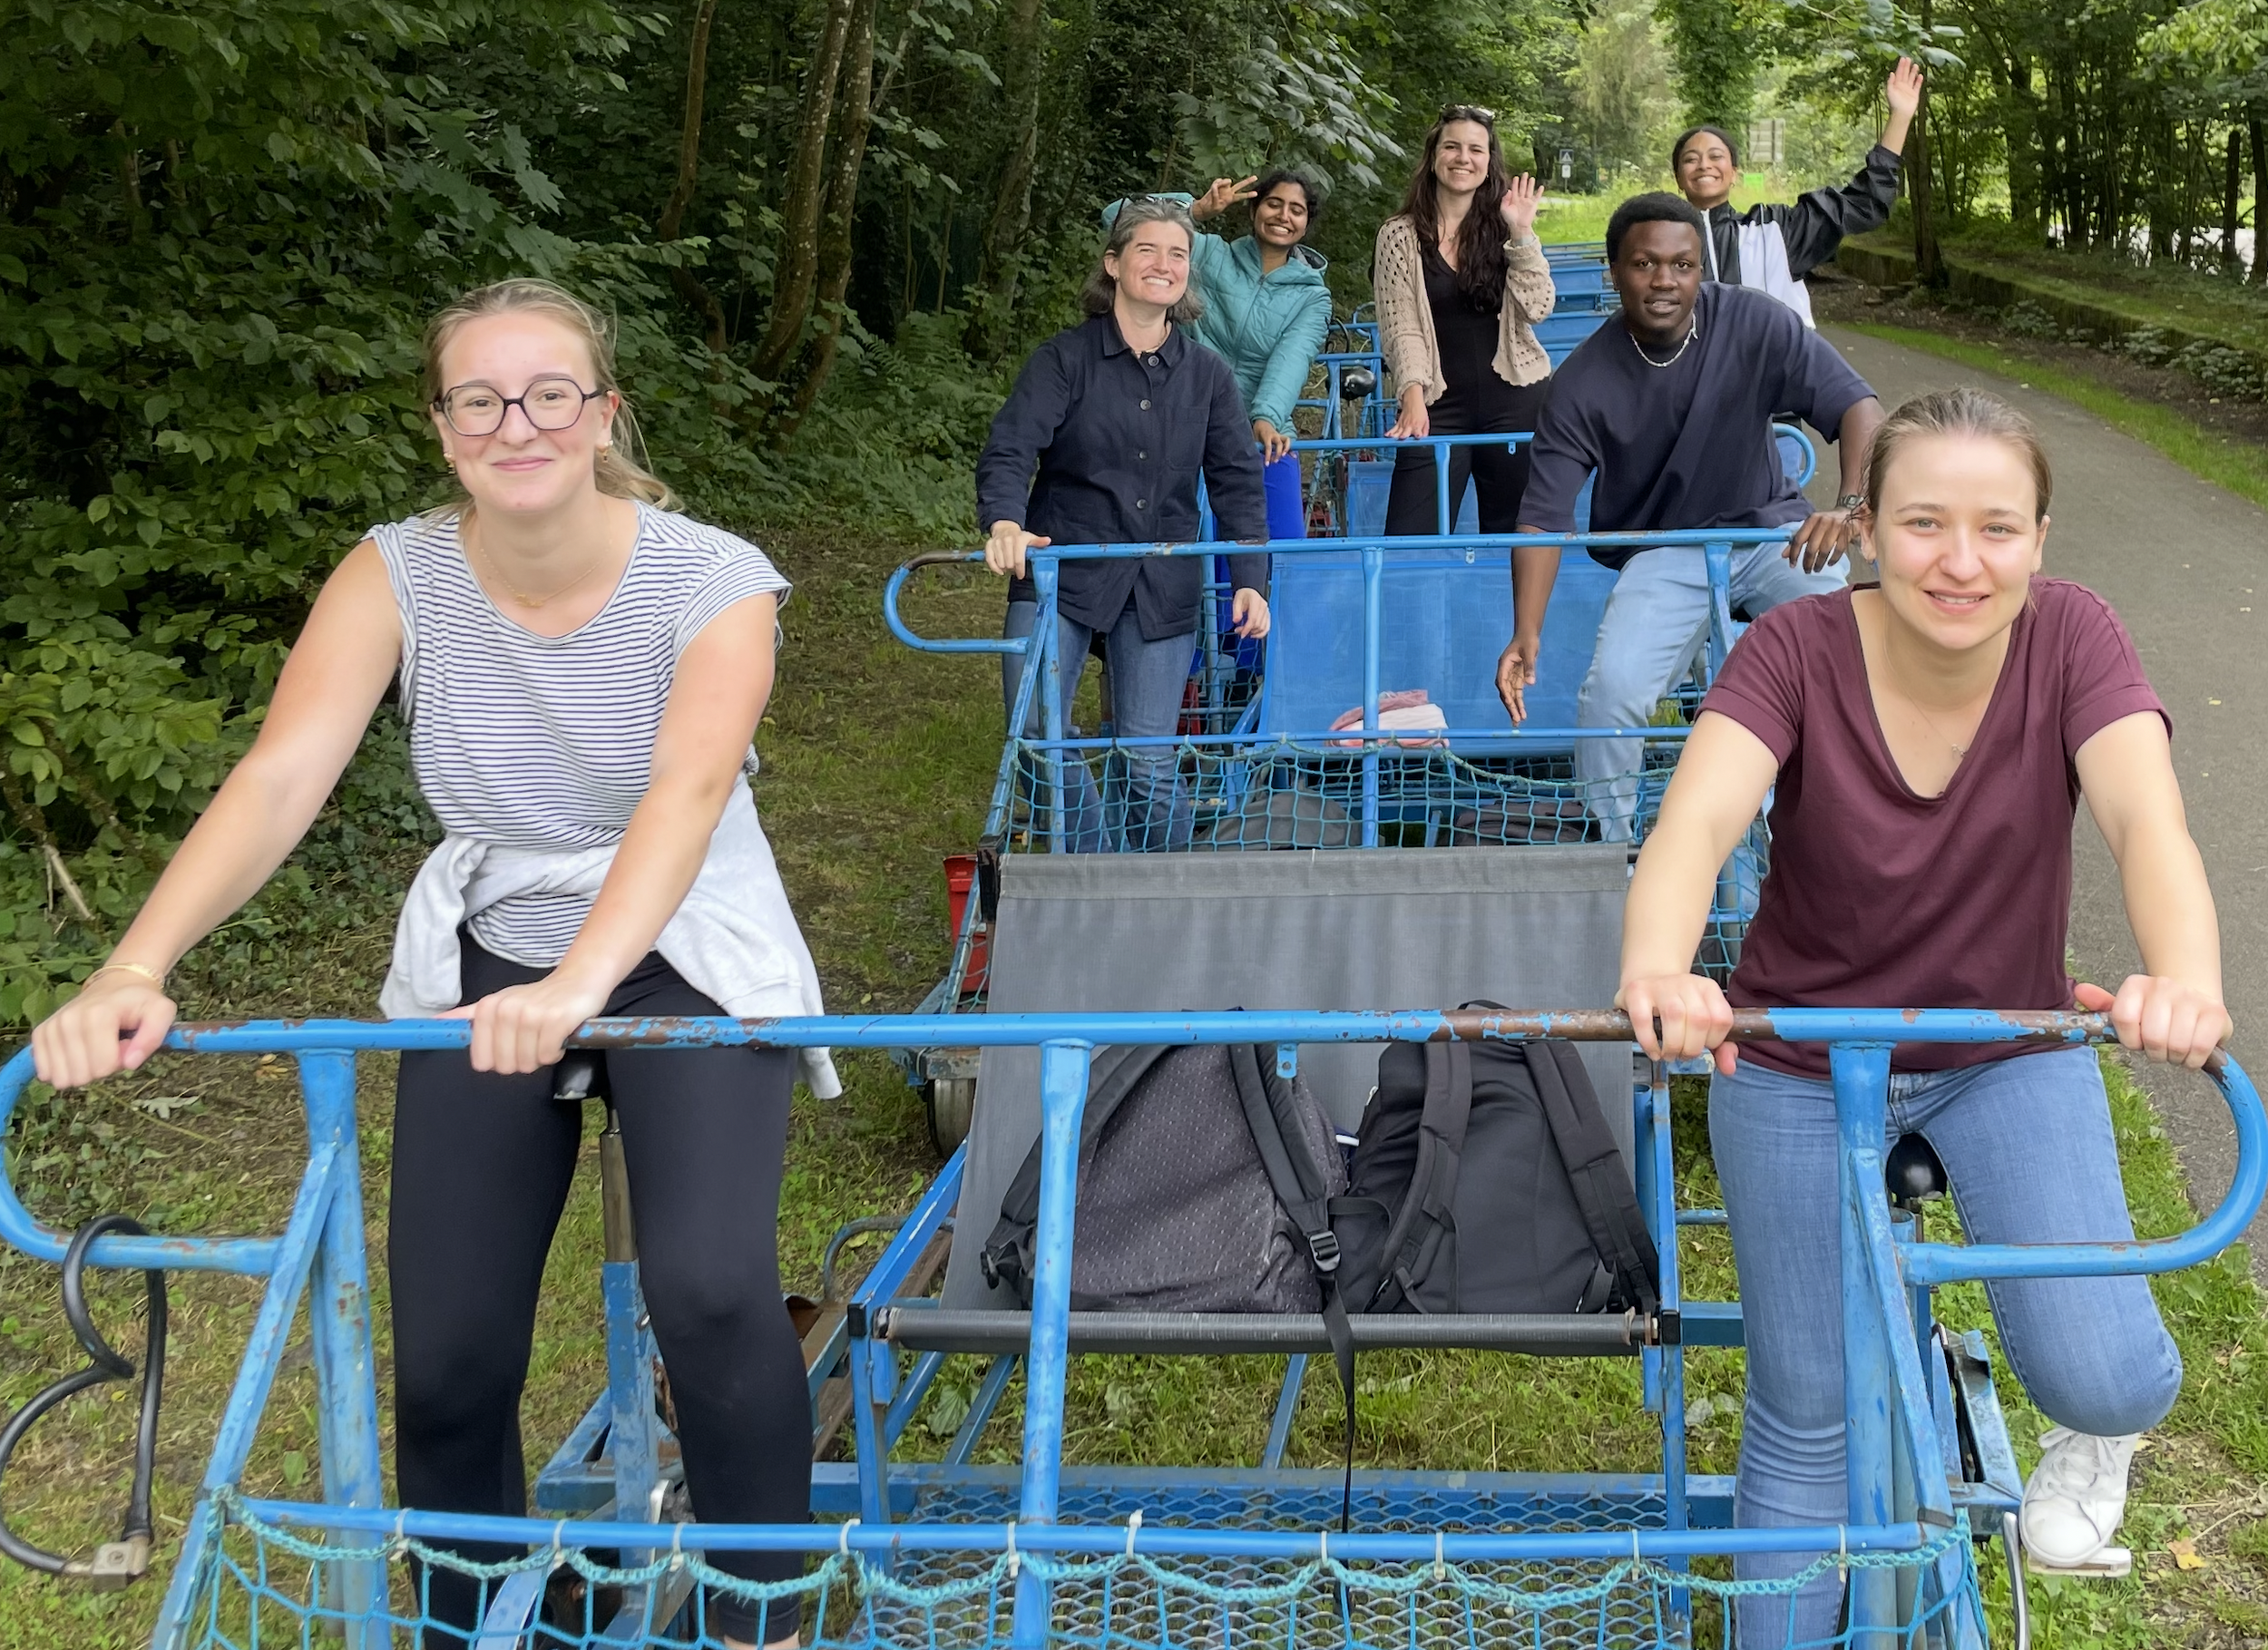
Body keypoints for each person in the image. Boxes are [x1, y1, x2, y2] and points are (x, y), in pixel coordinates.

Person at [28, 278, 834, 1650]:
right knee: (450, 1355)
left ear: (604, 413)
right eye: (481, 398)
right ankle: (482, 1621)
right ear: (443, 426)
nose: (518, 422)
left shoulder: (711, 577)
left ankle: (766, 1612)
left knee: (707, 1290)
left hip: (683, 937)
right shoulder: (395, 571)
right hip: (495, 936)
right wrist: (133, 963)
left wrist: (579, 985)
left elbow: (687, 792)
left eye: (550, 393)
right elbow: (281, 775)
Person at [1619, 387, 2220, 1641]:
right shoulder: (1794, 649)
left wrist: (2181, 975)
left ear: (2040, 538)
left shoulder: (2074, 635)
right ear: (1867, 528)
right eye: (1924, 523)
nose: (1960, 561)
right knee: (1807, 1413)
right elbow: (1697, 820)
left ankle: (2097, 1429)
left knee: (2103, 1370)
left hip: (2003, 1048)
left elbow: (2145, 819)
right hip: (1800, 1055)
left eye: (1997, 528)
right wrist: (1662, 968)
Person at [1502, 193, 1886, 841]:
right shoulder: (1583, 382)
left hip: (1771, 536)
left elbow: (1858, 406)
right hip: (1664, 548)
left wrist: (1849, 508)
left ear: (1700, 269)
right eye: (1644, 264)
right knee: (1610, 695)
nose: (1664, 280)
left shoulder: (1752, 322)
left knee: (1857, 657)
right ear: (1613, 272)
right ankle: (1615, 853)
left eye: (1681, 265)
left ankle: (1844, 834)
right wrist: (1525, 632)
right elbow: (1542, 517)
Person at [976, 197, 1270, 852]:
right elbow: (1011, 448)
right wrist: (1004, 522)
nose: (1164, 265)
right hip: (1062, 571)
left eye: (1178, 254)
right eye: (1147, 250)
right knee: (1036, 737)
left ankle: (1168, 888)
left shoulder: (1209, 376)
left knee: (1147, 760)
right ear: (1113, 264)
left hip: (1160, 584)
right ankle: (1094, 865)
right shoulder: (1063, 360)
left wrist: (1251, 577)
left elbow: (1237, 482)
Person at [1108, 170, 1334, 539]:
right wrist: (1194, 211)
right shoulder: (1209, 254)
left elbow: (1292, 358)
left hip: (1260, 428)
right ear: (1253, 210)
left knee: (1280, 545)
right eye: (1274, 204)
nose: (1283, 216)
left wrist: (1265, 417)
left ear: (1306, 223)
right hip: (1181, 417)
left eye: (1296, 210)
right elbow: (1115, 217)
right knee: (1183, 546)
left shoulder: (1313, 296)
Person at [1373, 105, 1555, 535]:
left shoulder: (1507, 228)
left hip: (1515, 400)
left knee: (1519, 539)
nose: (1463, 158)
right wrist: (1412, 394)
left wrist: (1522, 234)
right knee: (1410, 538)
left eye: (1476, 149)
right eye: (1452, 146)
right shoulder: (1398, 235)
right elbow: (1401, 327)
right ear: (1433, 155)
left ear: (1489, 161)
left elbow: (1539, 308)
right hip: (1435, 402)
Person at [1672, 56, 1924, 326]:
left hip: (1771, 355)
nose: (1704, 165)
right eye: (1691, 159)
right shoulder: (1659, 242)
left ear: (1734, 173)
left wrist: (1901, 116)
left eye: (1716, 156)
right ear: (1678, 178)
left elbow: (1866, 203)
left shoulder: (1776, 231)